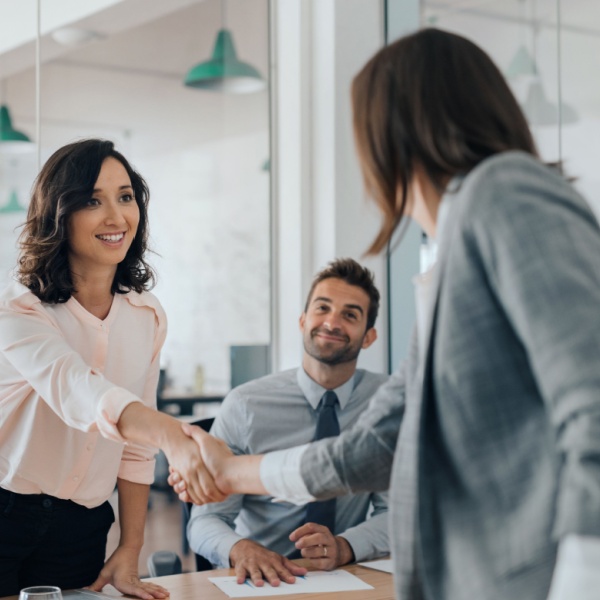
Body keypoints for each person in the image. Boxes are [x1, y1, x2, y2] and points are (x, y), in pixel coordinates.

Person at [171, 27, 600, 600]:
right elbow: (377, 447)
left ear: (392, 130)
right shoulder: (451, 255)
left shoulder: (504, 190)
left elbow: (593, 404)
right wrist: (230, 473)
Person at [0, 139, 224, 598]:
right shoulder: (20, 307)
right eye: (91, 201)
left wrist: (132, 543)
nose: (116, 217)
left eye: (125, 197)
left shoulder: (147, 316)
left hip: (82, 525)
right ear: (58, 215)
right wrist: (170, 435)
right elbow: (77, 390)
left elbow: (134, 450)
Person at [187, 258, 390, 587]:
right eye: (322, 308)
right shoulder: (246, 405)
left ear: (368, 337)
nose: (332, 322)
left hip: (345, 577)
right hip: (261, 581)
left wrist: (345, 546)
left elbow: (398, 510)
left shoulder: (387, 404)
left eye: (350, 315)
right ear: (302, 320)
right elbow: (206, 520)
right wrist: (241, 549)